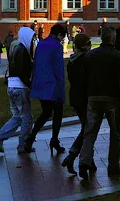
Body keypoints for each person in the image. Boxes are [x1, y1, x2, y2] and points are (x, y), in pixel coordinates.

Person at [78, 26, 120, 179]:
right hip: (112, 98)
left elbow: (83, 78)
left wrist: (86, 95)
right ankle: (113, 165)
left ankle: (84, 162)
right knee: (114, 134)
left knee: (90, 132)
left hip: (93, 97)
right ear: (113, 39)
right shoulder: (118, 56)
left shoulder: (91, 55)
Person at [0, 26, 34, 154]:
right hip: (20, 88)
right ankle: (23, 145)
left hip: (12, 87)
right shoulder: (23, 51)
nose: (33, 41)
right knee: (27, 118)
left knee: (17, 116)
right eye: (32, 38)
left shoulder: (16, 49)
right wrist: (31, 85)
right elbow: (21, 72)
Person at [28, 23, 67, 152]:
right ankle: (54, 140)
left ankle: (31, 138)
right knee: (58, 114)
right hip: (53, 85)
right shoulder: (57, 46)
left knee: (45, 113)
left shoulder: (41, 44)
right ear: (59, 35)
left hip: (40, 83)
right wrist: (62, 85)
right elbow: (58, 68)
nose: (62, 40)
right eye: (62, 37)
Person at [62, 33, 91, 175]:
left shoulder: (73, 59)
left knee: (86, 128)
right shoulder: (85, 59)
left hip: (75, 97)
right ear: (85, 45)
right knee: (87, 129)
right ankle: (72, 155)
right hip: (84, 98)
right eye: (89, 43)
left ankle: (89, 162)